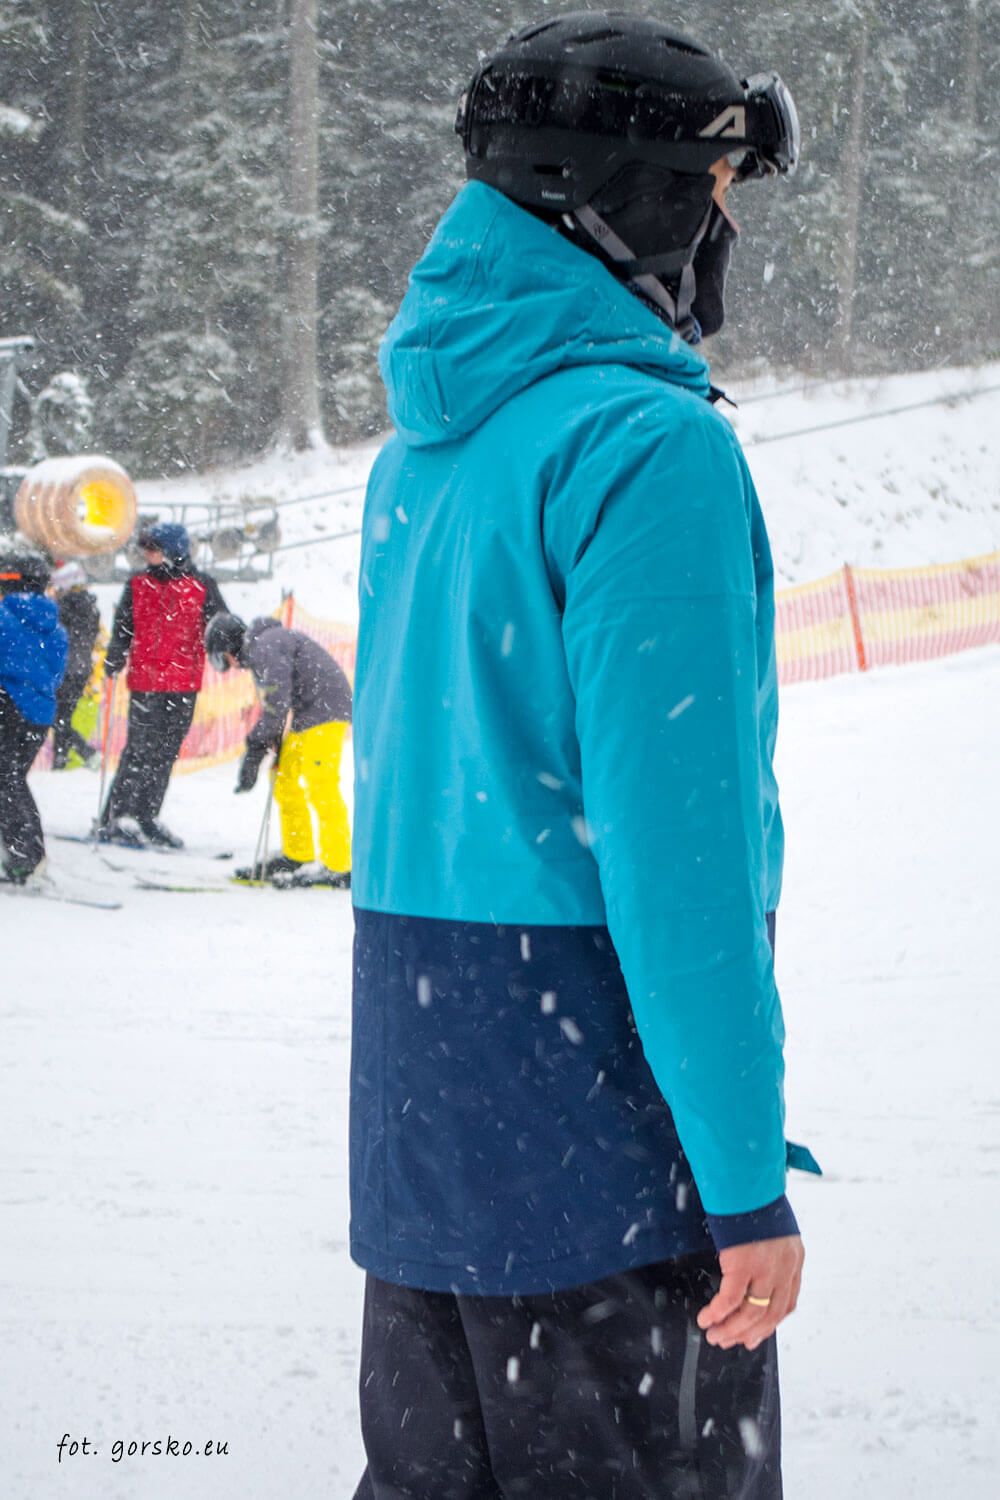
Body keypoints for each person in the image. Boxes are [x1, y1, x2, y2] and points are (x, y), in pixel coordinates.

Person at [349, 14, 806, 1499]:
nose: (727, 231)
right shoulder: (642, 449)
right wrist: (742, 1180)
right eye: (721, 190)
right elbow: (681, 873)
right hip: (596, 1135)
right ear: (643, 198)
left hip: (433, 1115)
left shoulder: (433, 444)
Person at [97, 521, 227, 847]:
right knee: (139, 750)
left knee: (165, 754)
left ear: (173, 551)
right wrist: (115, 655)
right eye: (146, 548)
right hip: (146, 682)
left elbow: (219, 624)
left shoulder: (201, 585)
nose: (147, 554)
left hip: (183, 684)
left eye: (153, 548)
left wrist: (229, 644)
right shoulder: (138, 584)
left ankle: (146, 814)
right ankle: (116, 814)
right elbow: (124, 625)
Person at [205, 612, 353, 887]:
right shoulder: (261, 647)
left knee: (321, 784)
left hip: (326, 709)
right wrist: (263, 741)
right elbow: (279, 704)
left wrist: (257, 745)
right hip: (307, 713)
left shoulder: (266, 646)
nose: (229, 667)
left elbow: (276, 702)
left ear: (229, 648)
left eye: (222, 659)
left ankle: (341, 865)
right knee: (285, 779)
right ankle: (298, 853)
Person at [0, 549, 68, 883]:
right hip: (38, 716)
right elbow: (55, 676)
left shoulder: (3, 617)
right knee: (10, 781)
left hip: (8, 709)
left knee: (5, 782)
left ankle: (26, 854)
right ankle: (22, 850)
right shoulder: (55, 627)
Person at [49, 561, 101, 769]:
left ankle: (86, 753)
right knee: (64, 716)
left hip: (64, 668)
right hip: (82, 668)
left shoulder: (62, 608)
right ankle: (60, 760)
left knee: (57, 718)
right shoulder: (91, 607)